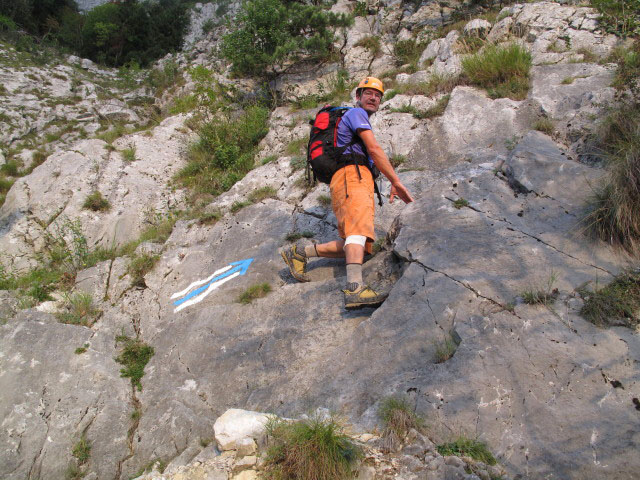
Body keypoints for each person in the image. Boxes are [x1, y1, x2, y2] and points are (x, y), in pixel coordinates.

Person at [281, 76, 414, 309]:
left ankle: (300, 253)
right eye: (368, 93)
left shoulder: (357, 117)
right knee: (356, 233)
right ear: (358, 97)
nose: (373, 98)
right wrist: (396, 181)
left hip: (350, 178)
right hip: (352, 176)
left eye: (378, 95)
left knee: (357, 244)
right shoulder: (356, 114)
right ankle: (354, 289)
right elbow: (373, 147)